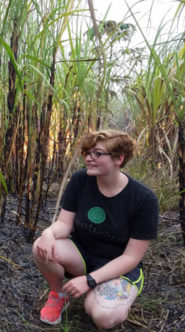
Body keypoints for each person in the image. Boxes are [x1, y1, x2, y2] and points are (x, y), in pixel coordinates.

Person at [32, 129, 159, 329]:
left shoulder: (143, 199)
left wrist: (89, 281)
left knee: (104, 317)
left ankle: (104, 293)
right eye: (87, 153)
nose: (89, 158)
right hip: (83, 257)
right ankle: (60, 295)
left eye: (97, 154)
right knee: (41, 245)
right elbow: (64, 225)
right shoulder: (80, 180)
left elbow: (131, 258)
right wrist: (48, 232)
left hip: (120, 268)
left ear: (119, 159)